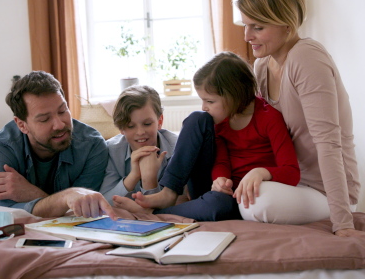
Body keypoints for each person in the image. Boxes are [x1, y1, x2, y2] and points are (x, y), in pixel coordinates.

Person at [236, 0, 365, 242]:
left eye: (257, 27)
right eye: (245, 25)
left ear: (287, 23)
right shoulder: (262, 66)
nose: (247, 36)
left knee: (257, 202)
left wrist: (343, 224)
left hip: (322, 189)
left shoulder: (306, 58)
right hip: (289, 179)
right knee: (243, 189)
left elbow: (328, 144)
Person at [114, 52, 300, 221]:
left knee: (217, 206)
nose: (204, 106)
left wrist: (261, 172)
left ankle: (153, 214)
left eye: (210, 101)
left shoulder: (270, 118)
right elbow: (221, 161)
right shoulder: (219, 121)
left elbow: (292, 171)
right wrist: (221, 179)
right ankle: (169, 192)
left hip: (238, 198)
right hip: (216, 188)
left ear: (233, 96)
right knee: (197, 118)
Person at [0, 71, 116, 219]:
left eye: (63, 111)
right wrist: (66, 198)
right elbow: (7, 214)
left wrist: (31, 193)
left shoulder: (92, 146)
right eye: (45, 119)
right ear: (22, 125)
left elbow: (80, 211)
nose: (59, 124)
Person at [99, 85, 178, 205]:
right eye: (131, 126)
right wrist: (134, 175)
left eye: (147, 124)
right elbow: (104, 202)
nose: (140, 132)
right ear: (121, 128)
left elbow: (177, 202)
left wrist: (149, 178)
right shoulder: (111, 150)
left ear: (160, 121)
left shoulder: (177, 148)